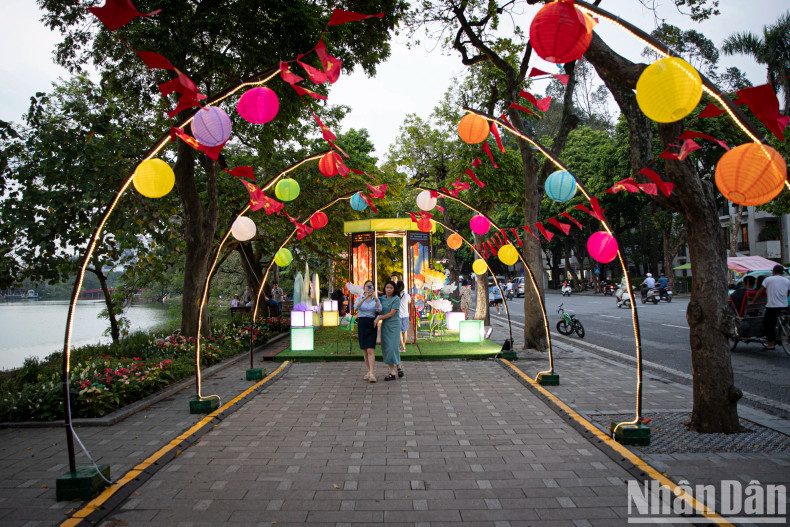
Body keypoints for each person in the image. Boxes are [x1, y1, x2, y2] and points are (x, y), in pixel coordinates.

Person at [749, 265, 790, 350]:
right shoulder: (787, 281)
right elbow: (787, 293)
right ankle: (781, 333)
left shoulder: (768, 280)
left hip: (772, 306)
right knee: (784, 320)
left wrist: (753, 301)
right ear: (782, 272)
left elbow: (760, 291)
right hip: (784, 306)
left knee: (768, 324)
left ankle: (771, 343)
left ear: (773, 271)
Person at [375, 281, 403, 381]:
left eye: (391, 288)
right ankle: (396, 369)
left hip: (394, 325)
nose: (388, 289)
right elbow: (377, 307)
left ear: (394, 289)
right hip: (385, 326)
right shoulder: (382, 298)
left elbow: (391, 313)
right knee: (387, 347)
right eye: (387, 287)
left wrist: (379, 318)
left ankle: (394, 371)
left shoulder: (396, 299)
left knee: (393, 347)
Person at [355, 280, 382, 382]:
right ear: (364, 288)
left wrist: (375, 298)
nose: (369, 288)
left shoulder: (375, 300)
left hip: (372, 323)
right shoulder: (359, 298)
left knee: (370, 349)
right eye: (367, 286)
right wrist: (365, 297)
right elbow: (356, 307)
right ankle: (368, 371)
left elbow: (379, 309)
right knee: (365, 350)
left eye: (371, 287)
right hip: (362, 323)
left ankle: (372, 373)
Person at [397, 281, 411, 354]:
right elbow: (409, 302)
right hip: (406, 315)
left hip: (398, 315)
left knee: (399, 331)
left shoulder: (395, 296)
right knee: (405, 331)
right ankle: (403, 346)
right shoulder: (407, 296)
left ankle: (402, 346)